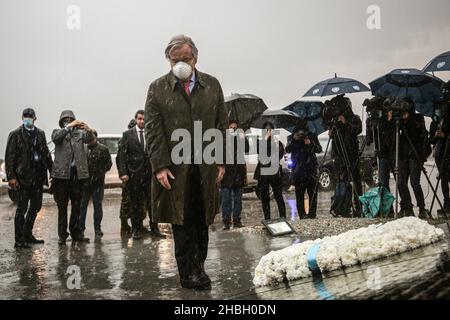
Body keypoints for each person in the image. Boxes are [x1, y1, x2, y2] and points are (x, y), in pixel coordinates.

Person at [145, 35, 227, 290]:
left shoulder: (211, 85)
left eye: (186, 59)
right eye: (175, 59)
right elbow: (153, 130)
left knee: (203, 219)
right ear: (169, 61)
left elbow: (220, 125)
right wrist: (159, 166)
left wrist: (222, 161)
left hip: (205, 167)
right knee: (181, 221)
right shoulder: (157, 88)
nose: (181, 63)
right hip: (175, 169)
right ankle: (187, 273)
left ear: (196, 58)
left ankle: (199, 267)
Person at [5, 108, 53, 248]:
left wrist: (52, 171)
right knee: (22, 209)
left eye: (30, 116)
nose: (28, 118)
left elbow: (46, 154)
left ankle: (27, 233)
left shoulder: (40, 134)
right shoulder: (15, 134)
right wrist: (11, 177)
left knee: (36, 207)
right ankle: (19, 239)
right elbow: (10, 157)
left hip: (38, 178)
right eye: (25, 116)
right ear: (22, 117)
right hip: (23, 178)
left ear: (34, 118)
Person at [117, 110, 162, 240]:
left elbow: (156, 152)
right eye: (140, 119)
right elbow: (122, 156)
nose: (142, 121)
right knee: (135, 203)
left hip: (149, 174)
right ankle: (136, 229)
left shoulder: (151, 133)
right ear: (136, 119)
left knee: (152, 202)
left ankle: (154, 228)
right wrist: (123, 173)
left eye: (144, 119)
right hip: (134, 174)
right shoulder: (127, 135)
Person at [51, 110, 93, 245]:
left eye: (71, 119)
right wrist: (67, 128)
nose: (68, 121)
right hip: (61, 177)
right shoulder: (58, 132)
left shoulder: (79, 134)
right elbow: (56, 138)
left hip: (76, 175)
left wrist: (88, 129)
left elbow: (91, 139)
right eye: (66, 119)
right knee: (62, 207)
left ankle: (75, 232)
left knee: (77, 206)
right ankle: (62, 235)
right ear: (62, 121)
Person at [386, 98, 430, 219]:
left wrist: (408, 120)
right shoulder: (397, 119)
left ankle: (422, 208)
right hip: (402, 154)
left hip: (415, 154)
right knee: (400, 182)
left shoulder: (418, 118)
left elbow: (420, 135)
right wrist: (390, 121)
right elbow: (391, 136)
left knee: (414, 182)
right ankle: (407, 207)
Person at [327, 95, 363, 217]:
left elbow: (357, 130)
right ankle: (343, 207)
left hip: (352, 154)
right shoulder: (335, 121)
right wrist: (332, 128)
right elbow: (331, 136)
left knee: (356, 181)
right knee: (341, 181)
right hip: (339, 155)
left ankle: (358, 207)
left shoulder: (355, 118)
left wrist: (345, 123)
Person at [79, 130, 112, 239]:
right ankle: (81, 228)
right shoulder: (83, 149)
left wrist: (100, 172)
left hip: (97, 183)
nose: (89, 143)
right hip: (84, 183)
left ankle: (97, 228)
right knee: (82, 206)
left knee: (97, 206)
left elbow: (109, 164)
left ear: (95, 139)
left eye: (91, 141)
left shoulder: (103, 149)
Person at [286, 126, 322, 219]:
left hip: (311, 170)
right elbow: (287, 149)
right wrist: (294, 140)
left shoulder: (312, 136)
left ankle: (312, 214)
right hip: (299, 171)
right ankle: (302, 214)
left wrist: (310, 144)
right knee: (299, 195)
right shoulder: (292, 137)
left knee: (312, 194)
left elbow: (319, 149)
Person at [254, 121, 286, 221]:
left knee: (278, 196)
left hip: (274, 173)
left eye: (270, 130)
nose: (269, 132)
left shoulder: (277, 142)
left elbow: (280, 154)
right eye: (267, 130)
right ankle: (267, 218)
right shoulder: (260, 141)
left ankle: (283, 217)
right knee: (265, 198)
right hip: (263, 173)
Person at [220, 120, 249, 230]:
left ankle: (237, 220)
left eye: (235, 128)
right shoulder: (223, 138)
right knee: (226, 199)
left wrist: (243, 138)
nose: (233, 129)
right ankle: (226, 221)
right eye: (231, 127)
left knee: (238, 199)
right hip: (227, 173)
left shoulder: (240, 138)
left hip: (238, 173)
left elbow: (247, 149)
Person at [430, 100, 450, 216]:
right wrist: (436, 136)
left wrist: (445, 135)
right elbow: (431, 141)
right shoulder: (434, 123)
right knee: (443, 179)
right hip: (439, 153)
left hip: (448, 152)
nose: (439, 110)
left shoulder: (447, 121)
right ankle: (446, 203)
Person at [117, 119, 136, 235]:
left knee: (136, 202)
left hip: (135, 175)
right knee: (126, 202)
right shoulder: (124, 140)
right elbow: (120, 159)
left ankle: (134, 225)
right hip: (128, 176)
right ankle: (124, 226)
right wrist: (123, 173)